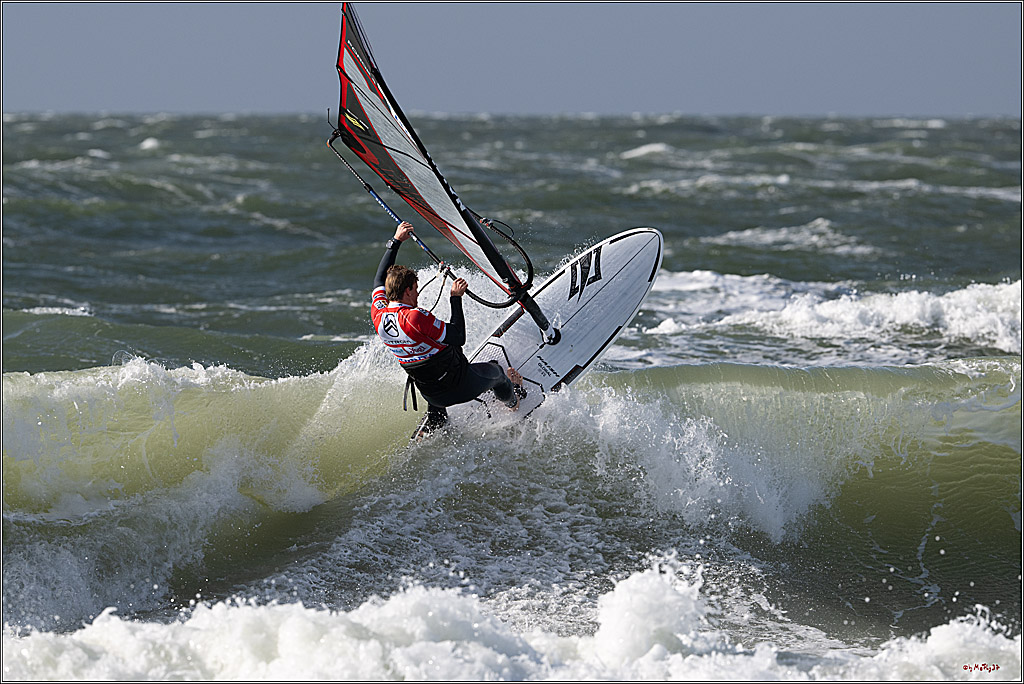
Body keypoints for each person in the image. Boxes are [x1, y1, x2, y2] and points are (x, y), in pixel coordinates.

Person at [371, 221, 525, 435]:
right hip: (460, 387)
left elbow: (379, 279)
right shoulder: (414, 317)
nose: (417, 295)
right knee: (497, 373)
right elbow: (458, 337)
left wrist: (395, 241)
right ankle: (514, 401)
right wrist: (455, 298)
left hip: (432, 394)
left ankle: (434, 423)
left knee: (430, 372)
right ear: (407, 291)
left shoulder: (378, 314)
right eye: (415, 290)